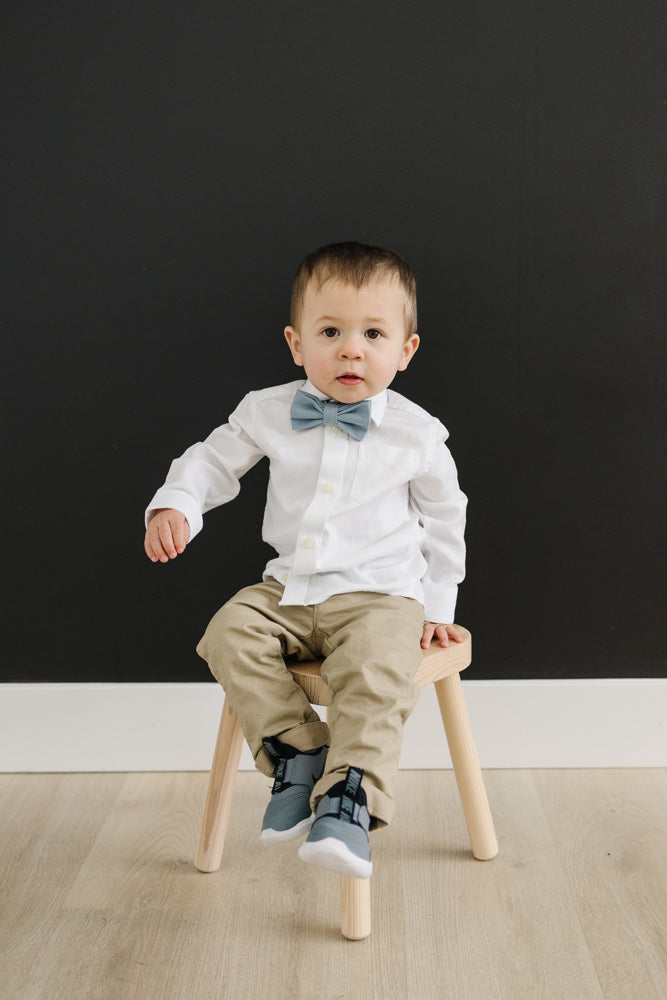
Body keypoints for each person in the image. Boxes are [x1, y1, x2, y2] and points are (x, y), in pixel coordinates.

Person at [144, 241, 466, 879]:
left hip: (381, 597)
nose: (352, 348)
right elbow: (212, 461)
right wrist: (176, 504)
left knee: (374, 674)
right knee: (229, 630)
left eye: (374, 333)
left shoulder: (417, 434)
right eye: (331, 331)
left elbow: (447, 519)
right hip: (289, 589)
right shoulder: (267, 410)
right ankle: (298, 754)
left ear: (405, 350)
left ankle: (351, 799)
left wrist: (436, 605)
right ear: (296, 345)